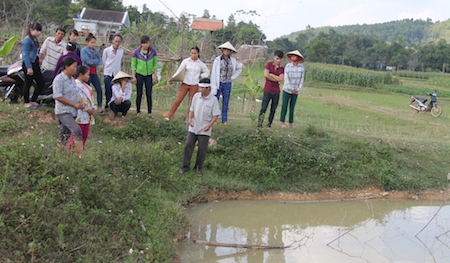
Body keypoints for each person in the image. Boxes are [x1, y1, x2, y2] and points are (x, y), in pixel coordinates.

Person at [179, 78, 220, 177]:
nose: (200, 89)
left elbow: (215, 115)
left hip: (204, 128)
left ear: (208, 88)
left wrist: (209, 126)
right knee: (188, 145)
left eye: (202, 88)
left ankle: (198, 168)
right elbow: (191, 109)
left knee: (202, 149)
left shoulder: (213, 100)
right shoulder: (196, 96)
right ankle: (185, 167)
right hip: (193, 126)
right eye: (200, 87)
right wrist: (190, 119)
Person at [163, 46, 210, 121]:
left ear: (198, 54)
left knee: (191, 102)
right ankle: (170, 115)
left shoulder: (200, 64)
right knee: (178, 100)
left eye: (195, 53)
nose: (193, 55)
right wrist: (173, 77)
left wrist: (201, 76)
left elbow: (207, 72)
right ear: (190, 53)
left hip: (194, 85)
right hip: (185, 83)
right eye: (192, 53)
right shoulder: (186, 61)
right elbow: (179, 70)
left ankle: (189, 118)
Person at [52, 57, 85, 155]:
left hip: (73, 111)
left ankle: (59, 155)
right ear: (66, 67)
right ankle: (81, 155)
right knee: (76, 130)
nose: (75, 69)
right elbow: (57, 96)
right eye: (74, 67)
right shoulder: (59, 79)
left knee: (64, 135)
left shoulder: (72, 80)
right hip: (63, 111)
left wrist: (79, 103)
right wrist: (74, 104)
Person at [210, 41, 242, 125]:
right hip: (219, 82)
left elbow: (239, 68)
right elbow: (214, 72)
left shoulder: (233, 61)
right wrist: (213, 84)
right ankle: (214, 119)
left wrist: (233, 77)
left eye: (228, 50)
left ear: (231, 51)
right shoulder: (217, 60)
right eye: (225, 50)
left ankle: (224, 120)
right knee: (215, 100)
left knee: (226, 101)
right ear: (222, 50)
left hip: (227, 83)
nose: (226, 51)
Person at [67, 65, 96, 151]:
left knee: (84, 135)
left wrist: (93, 107)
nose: (88, 76)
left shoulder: (87, 86)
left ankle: (79, 152)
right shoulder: (76, 85)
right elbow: (80, 99)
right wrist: (87, 109)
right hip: (79, 113)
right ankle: (71, 153)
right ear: (80, 74)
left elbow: (91, 98)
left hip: (87, 116)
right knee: (77, 135)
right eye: (87, 74)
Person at [131, 35, 158, 118]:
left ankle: (149, 113)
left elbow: (155, 65)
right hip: (139, 75)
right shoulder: (136, 52)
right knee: (139, 93)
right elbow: (133, 65)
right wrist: (133, 76)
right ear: (141, 44)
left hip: (149, 75)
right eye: (144, 43)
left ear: (149, 43)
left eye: (147, 43)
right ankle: (138, 111)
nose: (145, 45)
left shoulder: (153, 52)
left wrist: (155, 75)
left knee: (149, 94)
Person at [258, 50, 284, 132]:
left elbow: (281, 79)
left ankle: (269, 125)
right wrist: (275, 77)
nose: (278, 60)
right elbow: (266, 75)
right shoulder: (269, 64)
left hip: (276, 91)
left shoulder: (282, 68)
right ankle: (259, 124)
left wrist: (271, 75)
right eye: (277, 58)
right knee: (263, 108)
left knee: (273, 109)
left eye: (280, 59)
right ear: (274, 57)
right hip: (268, 90)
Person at [21, 22, 45, 109]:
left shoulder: (35, 39)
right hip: (29, 63)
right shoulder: (27, 40)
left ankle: (33, 100)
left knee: (41, 82)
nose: (38, 32)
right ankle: (26, 102)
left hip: (35, 63)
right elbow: (25, 54)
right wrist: (29, 67)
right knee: (28, 83)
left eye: (39, 31)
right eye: (37, 30)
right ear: (31, 30)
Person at [280, 50, 305, 128]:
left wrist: (297, 89)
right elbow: (286, 78)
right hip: (287, 89)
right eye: (292, 56)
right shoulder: (288, 66)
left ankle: (291, 122)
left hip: (296, 91)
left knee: (292, 107)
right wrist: (291, 89)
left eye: (295, 56)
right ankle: (282, 122)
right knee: (284, 106)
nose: (293, 57)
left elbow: (302, 79)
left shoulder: (301, 68)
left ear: (298, 58)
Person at [81, 33, 103, 113]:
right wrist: (94, 62)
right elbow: (87, 61)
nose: (93, 44)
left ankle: (99, 106)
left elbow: (99, 61)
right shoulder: (84, 50)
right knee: (87, 90)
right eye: (92, 42)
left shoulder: (96, 51)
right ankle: (88, 106)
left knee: (99, 89)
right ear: (87, 42)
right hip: (87, 73)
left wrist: (93, 62)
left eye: (94, 43)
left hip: (94, 73)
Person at [102, 34, 124, 112]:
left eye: (119, 41)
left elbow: (120, 62)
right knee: (108, 89)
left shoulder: (121, 51)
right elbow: (104, 61)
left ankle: (114, 106)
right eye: (116, 41)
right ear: (112, 41)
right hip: (108, 72)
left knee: (116, 90)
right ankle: (107, 104)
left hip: (116, 74)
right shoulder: (107, 50)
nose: (117, 43)